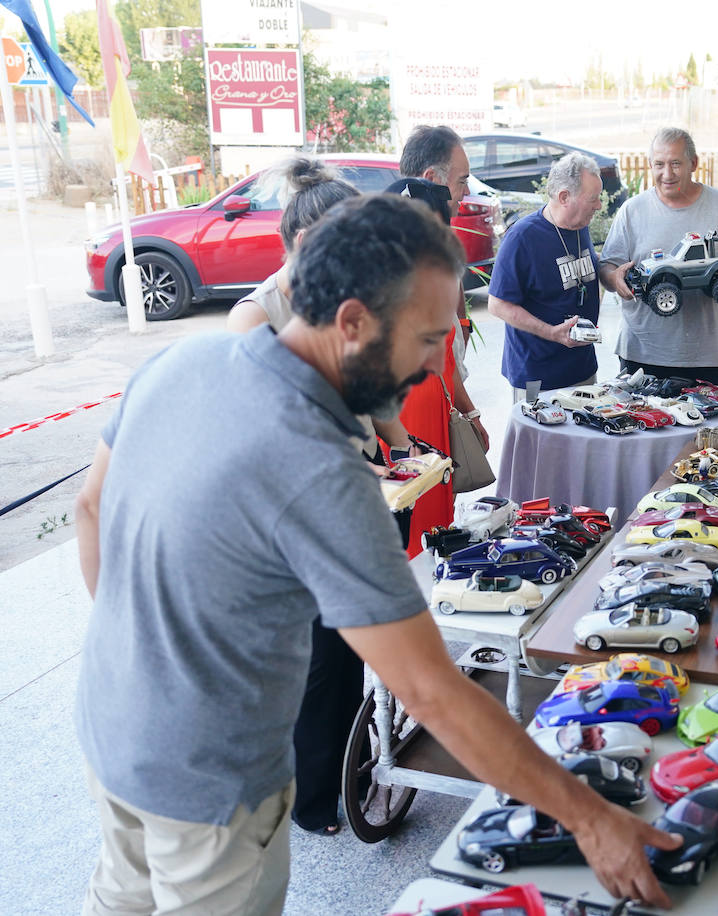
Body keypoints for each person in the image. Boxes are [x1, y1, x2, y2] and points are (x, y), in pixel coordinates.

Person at [74, 194, 680, 914]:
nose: (431, 366)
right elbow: (428, 691)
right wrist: (588, 816)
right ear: (354, 321)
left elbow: (89, 511)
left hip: (109, 724)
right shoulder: (320, 472)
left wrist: (146, 654)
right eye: (426, 340)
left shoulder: (183, 361)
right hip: (211, 783)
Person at [226, 156, 398, 838]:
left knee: (349, 648)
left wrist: (401, 446)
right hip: (289, 517)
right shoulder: (253, 317)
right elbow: (256, 434)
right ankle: (315, 797)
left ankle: (347, 769)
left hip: (353, 495)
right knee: (321, 660)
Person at [599, 127, 718, 390]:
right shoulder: (632, 210)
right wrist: (614, 278)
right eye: (659, 164)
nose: (667, 174)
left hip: (706, 355)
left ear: (694, 163)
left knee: (706, 430)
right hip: (642, 352)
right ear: (650, 165)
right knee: (639, 425)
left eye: (676, 163)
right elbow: (608, 267)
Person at [393, 125, 487, 545]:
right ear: (431, 182)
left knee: (437, 530)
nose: (466, 193)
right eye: (462, 181)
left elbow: (447, 359)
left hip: (436, 424)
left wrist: (467, 413)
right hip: (405, 434)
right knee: (415, 536)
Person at [487, 151, 603, 400]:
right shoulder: (522, 237)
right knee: (540, 438)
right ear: (564, 197)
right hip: (538, 377)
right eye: (593, 198)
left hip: (582, 369)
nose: (599, 205)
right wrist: (552, 333)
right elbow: (497, 305)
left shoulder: (579, 225)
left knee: (586, 438)